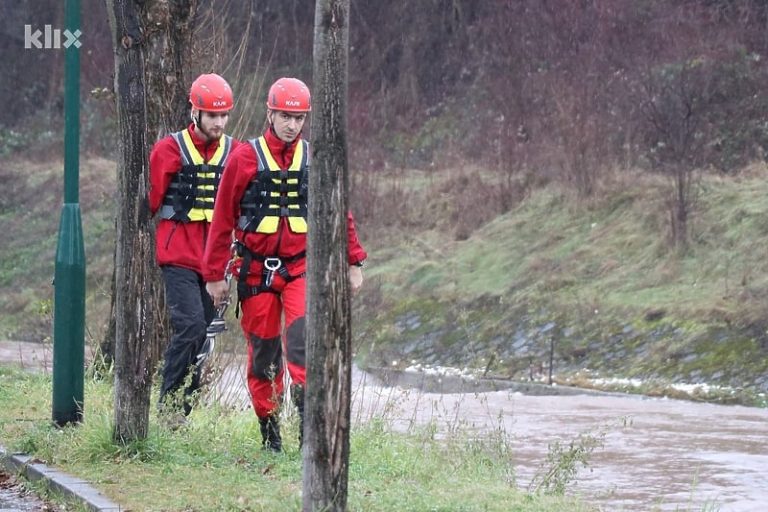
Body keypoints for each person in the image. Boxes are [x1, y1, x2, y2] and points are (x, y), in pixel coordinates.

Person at [203, 77, 367, 452]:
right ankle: (270, 434)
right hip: (256, 272)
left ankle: (309, 435)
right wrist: (214, 276)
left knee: (303, 348)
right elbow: (222, 218)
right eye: (285, 117)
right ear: (270, 114)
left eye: (299, 118)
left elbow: (339, 210)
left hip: (300, 270)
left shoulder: (315, 157)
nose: (293, 125)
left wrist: (353, 260)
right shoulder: (244, 157)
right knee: (263, 357)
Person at [148, 73, 240, 425]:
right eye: (211, 115)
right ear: (195, 112)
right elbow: (154, 199)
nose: (218, 122)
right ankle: (167, 405)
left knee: (202, 335)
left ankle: (182, 413)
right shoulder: (168, 150)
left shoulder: (235, 152)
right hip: (178, 256)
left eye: (223, 115)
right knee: (189, 326)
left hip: (214, 262)